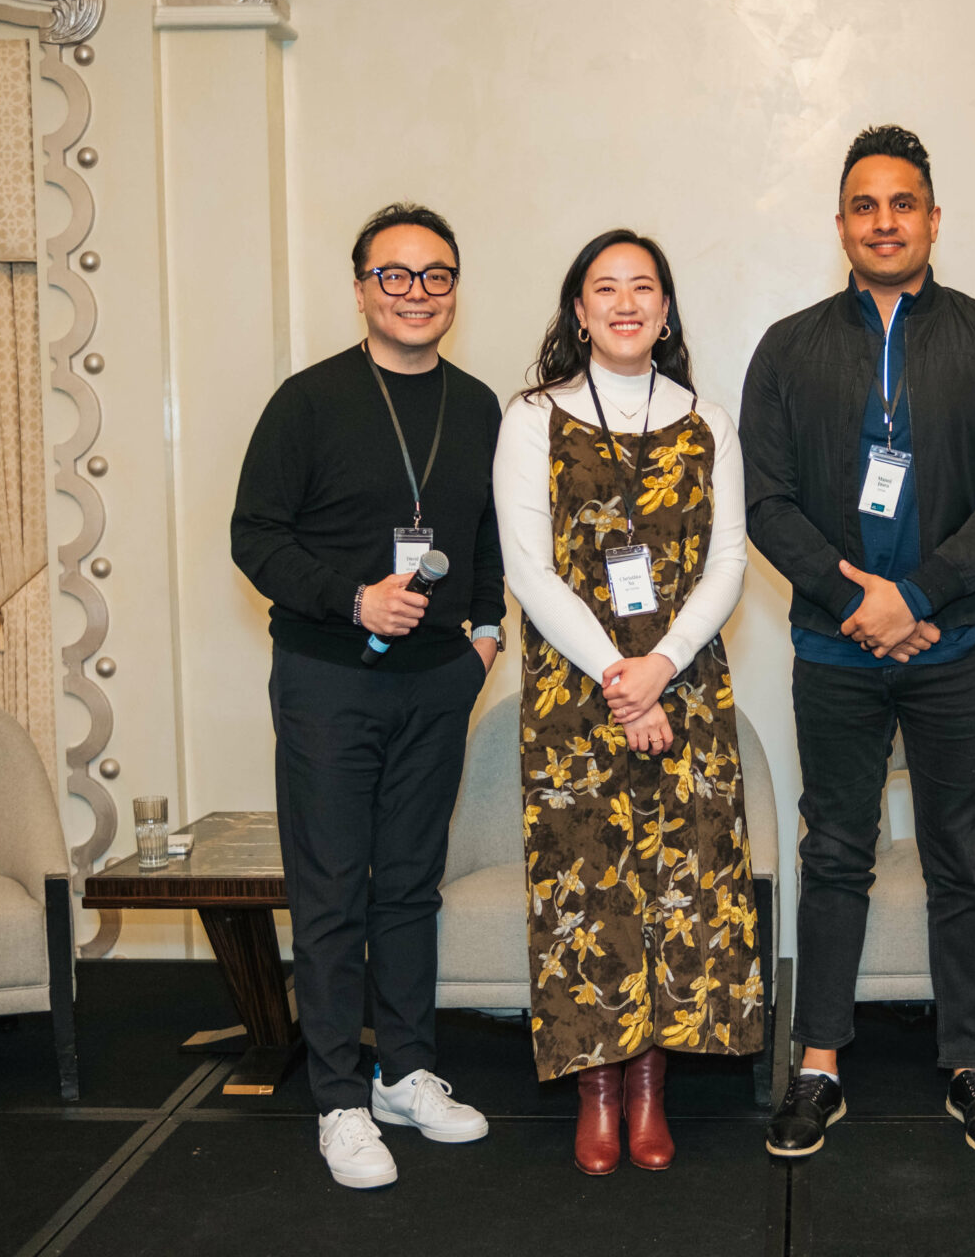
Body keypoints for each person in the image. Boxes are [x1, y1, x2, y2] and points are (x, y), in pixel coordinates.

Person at [742, 125, 975, 1159]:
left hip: (954, 643)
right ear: (839, 223)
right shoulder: (788, 347)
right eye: (865, 205)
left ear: (932, 216)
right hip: (834, 652)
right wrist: (852, 598)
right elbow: (767, 501)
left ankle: (970, 1062)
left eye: (903, 202)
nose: (885, 220)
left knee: (960, 858)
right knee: (836, 853)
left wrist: (916, 593)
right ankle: (819, 1063)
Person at [230, 203, 503, 1189]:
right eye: (396, 275)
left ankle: (407, 1070)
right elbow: (255, 537)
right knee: (333, 890)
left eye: (436, 275)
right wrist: (352, 598)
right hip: (327, 678)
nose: (417, 292)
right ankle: (341, 1098)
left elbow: (483, 544)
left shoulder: (478, 408)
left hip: (438, 684)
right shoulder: (306, 402)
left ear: (454, 290)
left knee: (409, 886)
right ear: (360, 287)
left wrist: (483, 638)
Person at [494, 228, 763, 1175]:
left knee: (683, 885)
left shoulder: (707, 420)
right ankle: (596, 1092)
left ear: (666, 306)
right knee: (589, 889)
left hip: (686, 688)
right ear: (577, 308)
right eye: (603, 288)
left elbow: (729, 560)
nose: (624, 302)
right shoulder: (535, 416)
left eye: (642, 286)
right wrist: (622, 674)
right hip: (576, 697)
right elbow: (527, 570)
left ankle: (653, 1087)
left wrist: (665, 664)